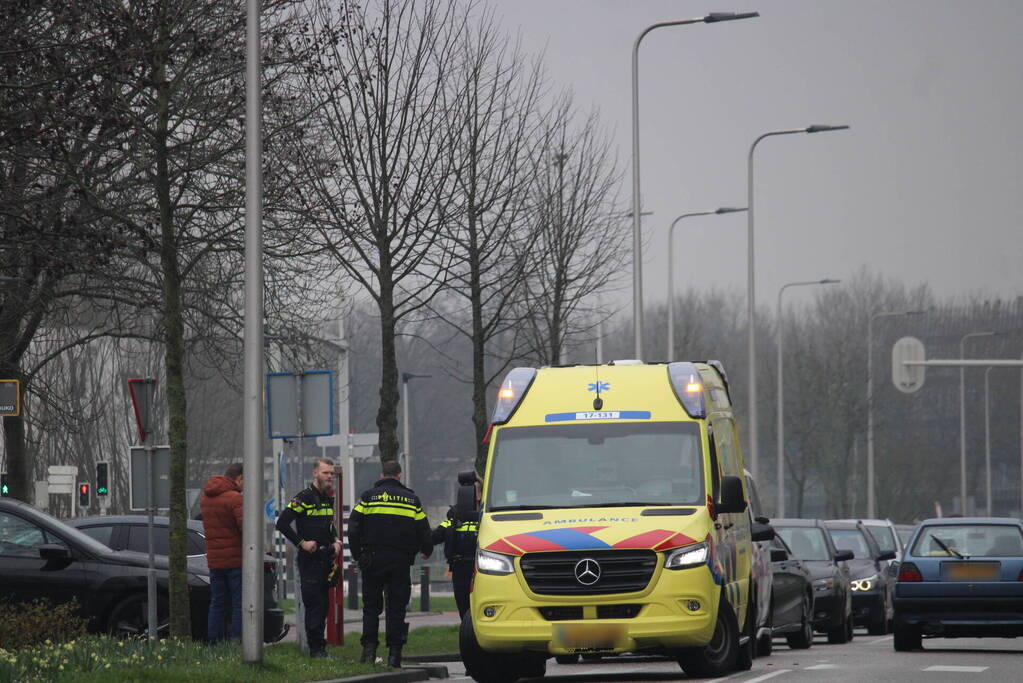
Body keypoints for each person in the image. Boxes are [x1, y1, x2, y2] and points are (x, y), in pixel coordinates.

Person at [348, 459, 432, 668]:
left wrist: (358, 554)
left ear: (381, 475)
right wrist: (426, 550)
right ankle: (395, 655)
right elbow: (424, 530)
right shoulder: (412, 500)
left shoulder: (367, 498)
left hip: (373, 561)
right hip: (400, 562)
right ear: (399, 476)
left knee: (371, 608)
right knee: (396, 608)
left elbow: (353, 527)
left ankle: (369, 652)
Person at [275, 458, 342, 658]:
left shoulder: (327, 499)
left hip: (325, 558)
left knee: (324, 605)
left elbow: (329, 525)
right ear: (315, 474)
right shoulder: (303, 498)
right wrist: (301, 543)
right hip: (310, 560)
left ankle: (320, 647)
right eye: (325, 473)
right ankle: (316, 650)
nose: (330, 477)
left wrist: (336, 541)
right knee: (315, 605)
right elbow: (282, 523)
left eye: (331, 473)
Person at [200, 462, 244, 642]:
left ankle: (214, 642)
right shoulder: (235, 498)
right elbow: (245, 528)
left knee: (217, 603)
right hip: (235, 560)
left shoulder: (206, 499)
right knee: (239, 604)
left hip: (215, 560)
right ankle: (237, 642)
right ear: (240, 478)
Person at [432, 476, 480, 619]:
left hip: (472, 568)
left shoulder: (453, 523)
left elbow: (431, 539)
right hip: (469, 568)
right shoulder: (455, 521)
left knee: (471, 607)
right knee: (468, 608)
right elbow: (432, 538)